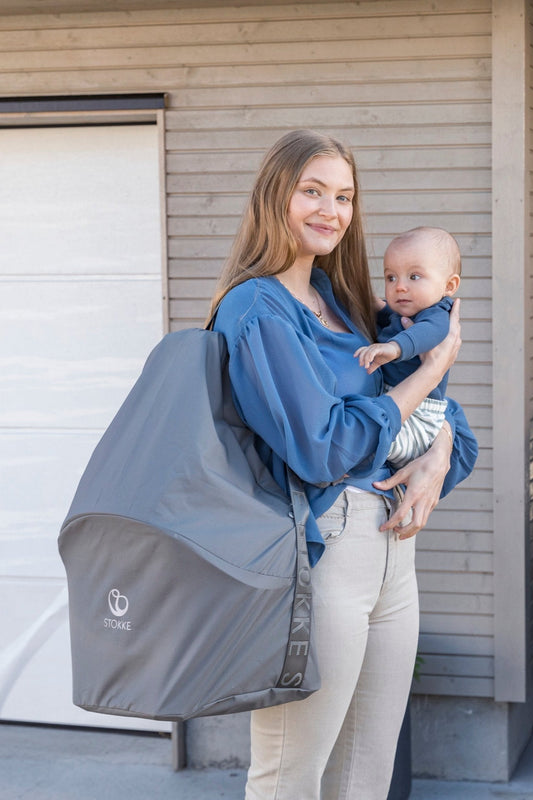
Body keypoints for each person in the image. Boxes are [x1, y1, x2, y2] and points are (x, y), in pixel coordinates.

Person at [207, 129, 478, 800]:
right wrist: (435, 368)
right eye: (313, 191)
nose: (331, 210)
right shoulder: (258, 308)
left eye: (345, 196)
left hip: (395, 561)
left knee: (365, 777)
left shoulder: (350, 303)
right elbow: (325, 447)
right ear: (277, 196)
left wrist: (437, 454)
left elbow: (450, 428)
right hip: (323, 557)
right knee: (290, 779)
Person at [355, 226, 461, 467]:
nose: (399, 286)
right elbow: (387, 315)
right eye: (391, 277)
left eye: (414, 277)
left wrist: (394, 348)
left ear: (449, 285)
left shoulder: (437, 314)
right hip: (399, 402)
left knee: (370, 441)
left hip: (420, 415)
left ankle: (349, 461)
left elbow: (425, 334)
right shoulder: (406, 311)